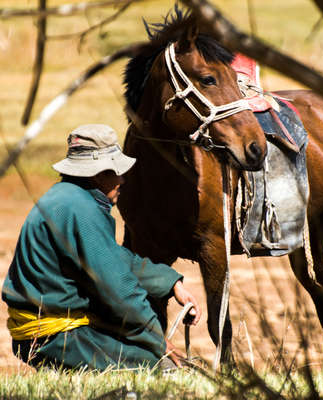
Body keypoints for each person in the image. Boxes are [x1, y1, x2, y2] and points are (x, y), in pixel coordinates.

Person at [1, 124, 201, 371]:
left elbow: (114, 258)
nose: (122, 179)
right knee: (167, 369)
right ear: (98, 173)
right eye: (116, 172)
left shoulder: (68, 197)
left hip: (51, 331)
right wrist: (160, 344)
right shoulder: (80, 210)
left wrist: (171, 283)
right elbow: (120, 292)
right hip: (55, 339)